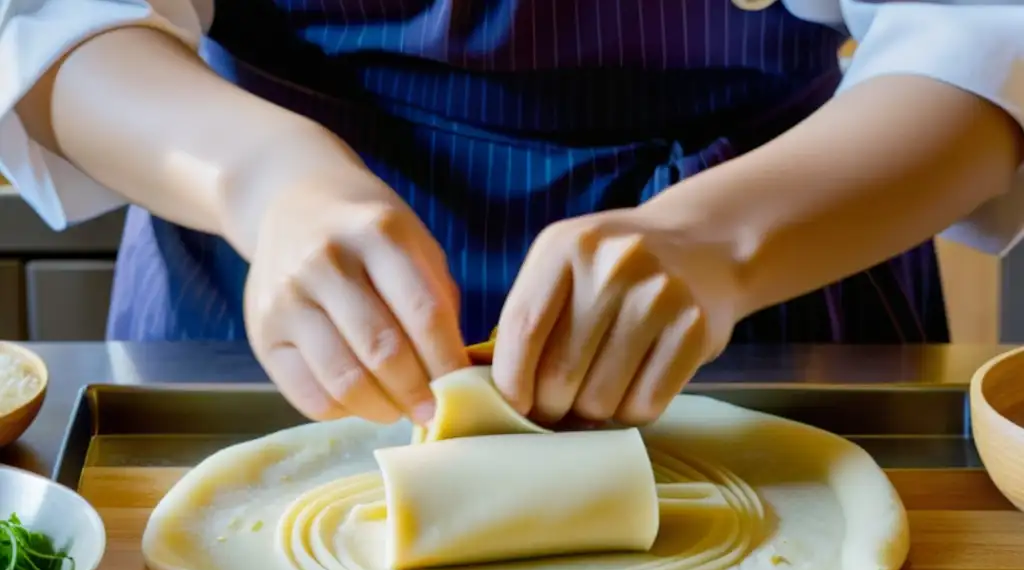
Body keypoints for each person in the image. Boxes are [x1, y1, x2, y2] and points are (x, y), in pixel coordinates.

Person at [3, 0, 1022, 428]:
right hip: (256, 296)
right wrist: (260, 180)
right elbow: (56, 18)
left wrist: (715, 241)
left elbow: (985, 33)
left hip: (774, 268)